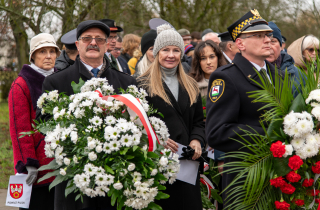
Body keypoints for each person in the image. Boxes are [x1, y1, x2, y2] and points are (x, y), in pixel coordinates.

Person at [37, 20, 136, 210]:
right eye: (87, 38)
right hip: (74, 182)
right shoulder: (55, 82)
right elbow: (44, 124)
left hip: (116, 183)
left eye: (99, 39)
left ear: (108, 45)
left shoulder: (126, 83)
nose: (93, 43)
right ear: (77, 44)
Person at [205, 9, 277, 208]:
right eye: (258, 36)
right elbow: (217, 132)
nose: (267, 40)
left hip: (277, 173)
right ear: (240, 44)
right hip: (246, 178)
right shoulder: (226, 77)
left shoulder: (276, 73)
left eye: (268, 35)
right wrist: (270, 135)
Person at [138, 24, 205, 210]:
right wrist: (156, 138)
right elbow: (136, 124)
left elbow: (199, 121)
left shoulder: (191, 84)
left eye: (176, 50)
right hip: (156, 165)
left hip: (187, 166)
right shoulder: (141, 85)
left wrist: (197, 140)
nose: (171, 55)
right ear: (157, 52)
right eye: (165, 49)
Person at [9, 33, 61, 210]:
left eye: (52, 51)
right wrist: (29, 163)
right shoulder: (22, 84)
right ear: (33, 55)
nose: (48, 56)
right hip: (37, 170)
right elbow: (19, 129)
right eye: (42, 51)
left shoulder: (60, 79)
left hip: (61, 167)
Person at [266, 22, 303, 96]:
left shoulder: (297, 74)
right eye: (265, 42)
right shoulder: (250, 72)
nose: (268, 46)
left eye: (273, 41)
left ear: (281, 46)